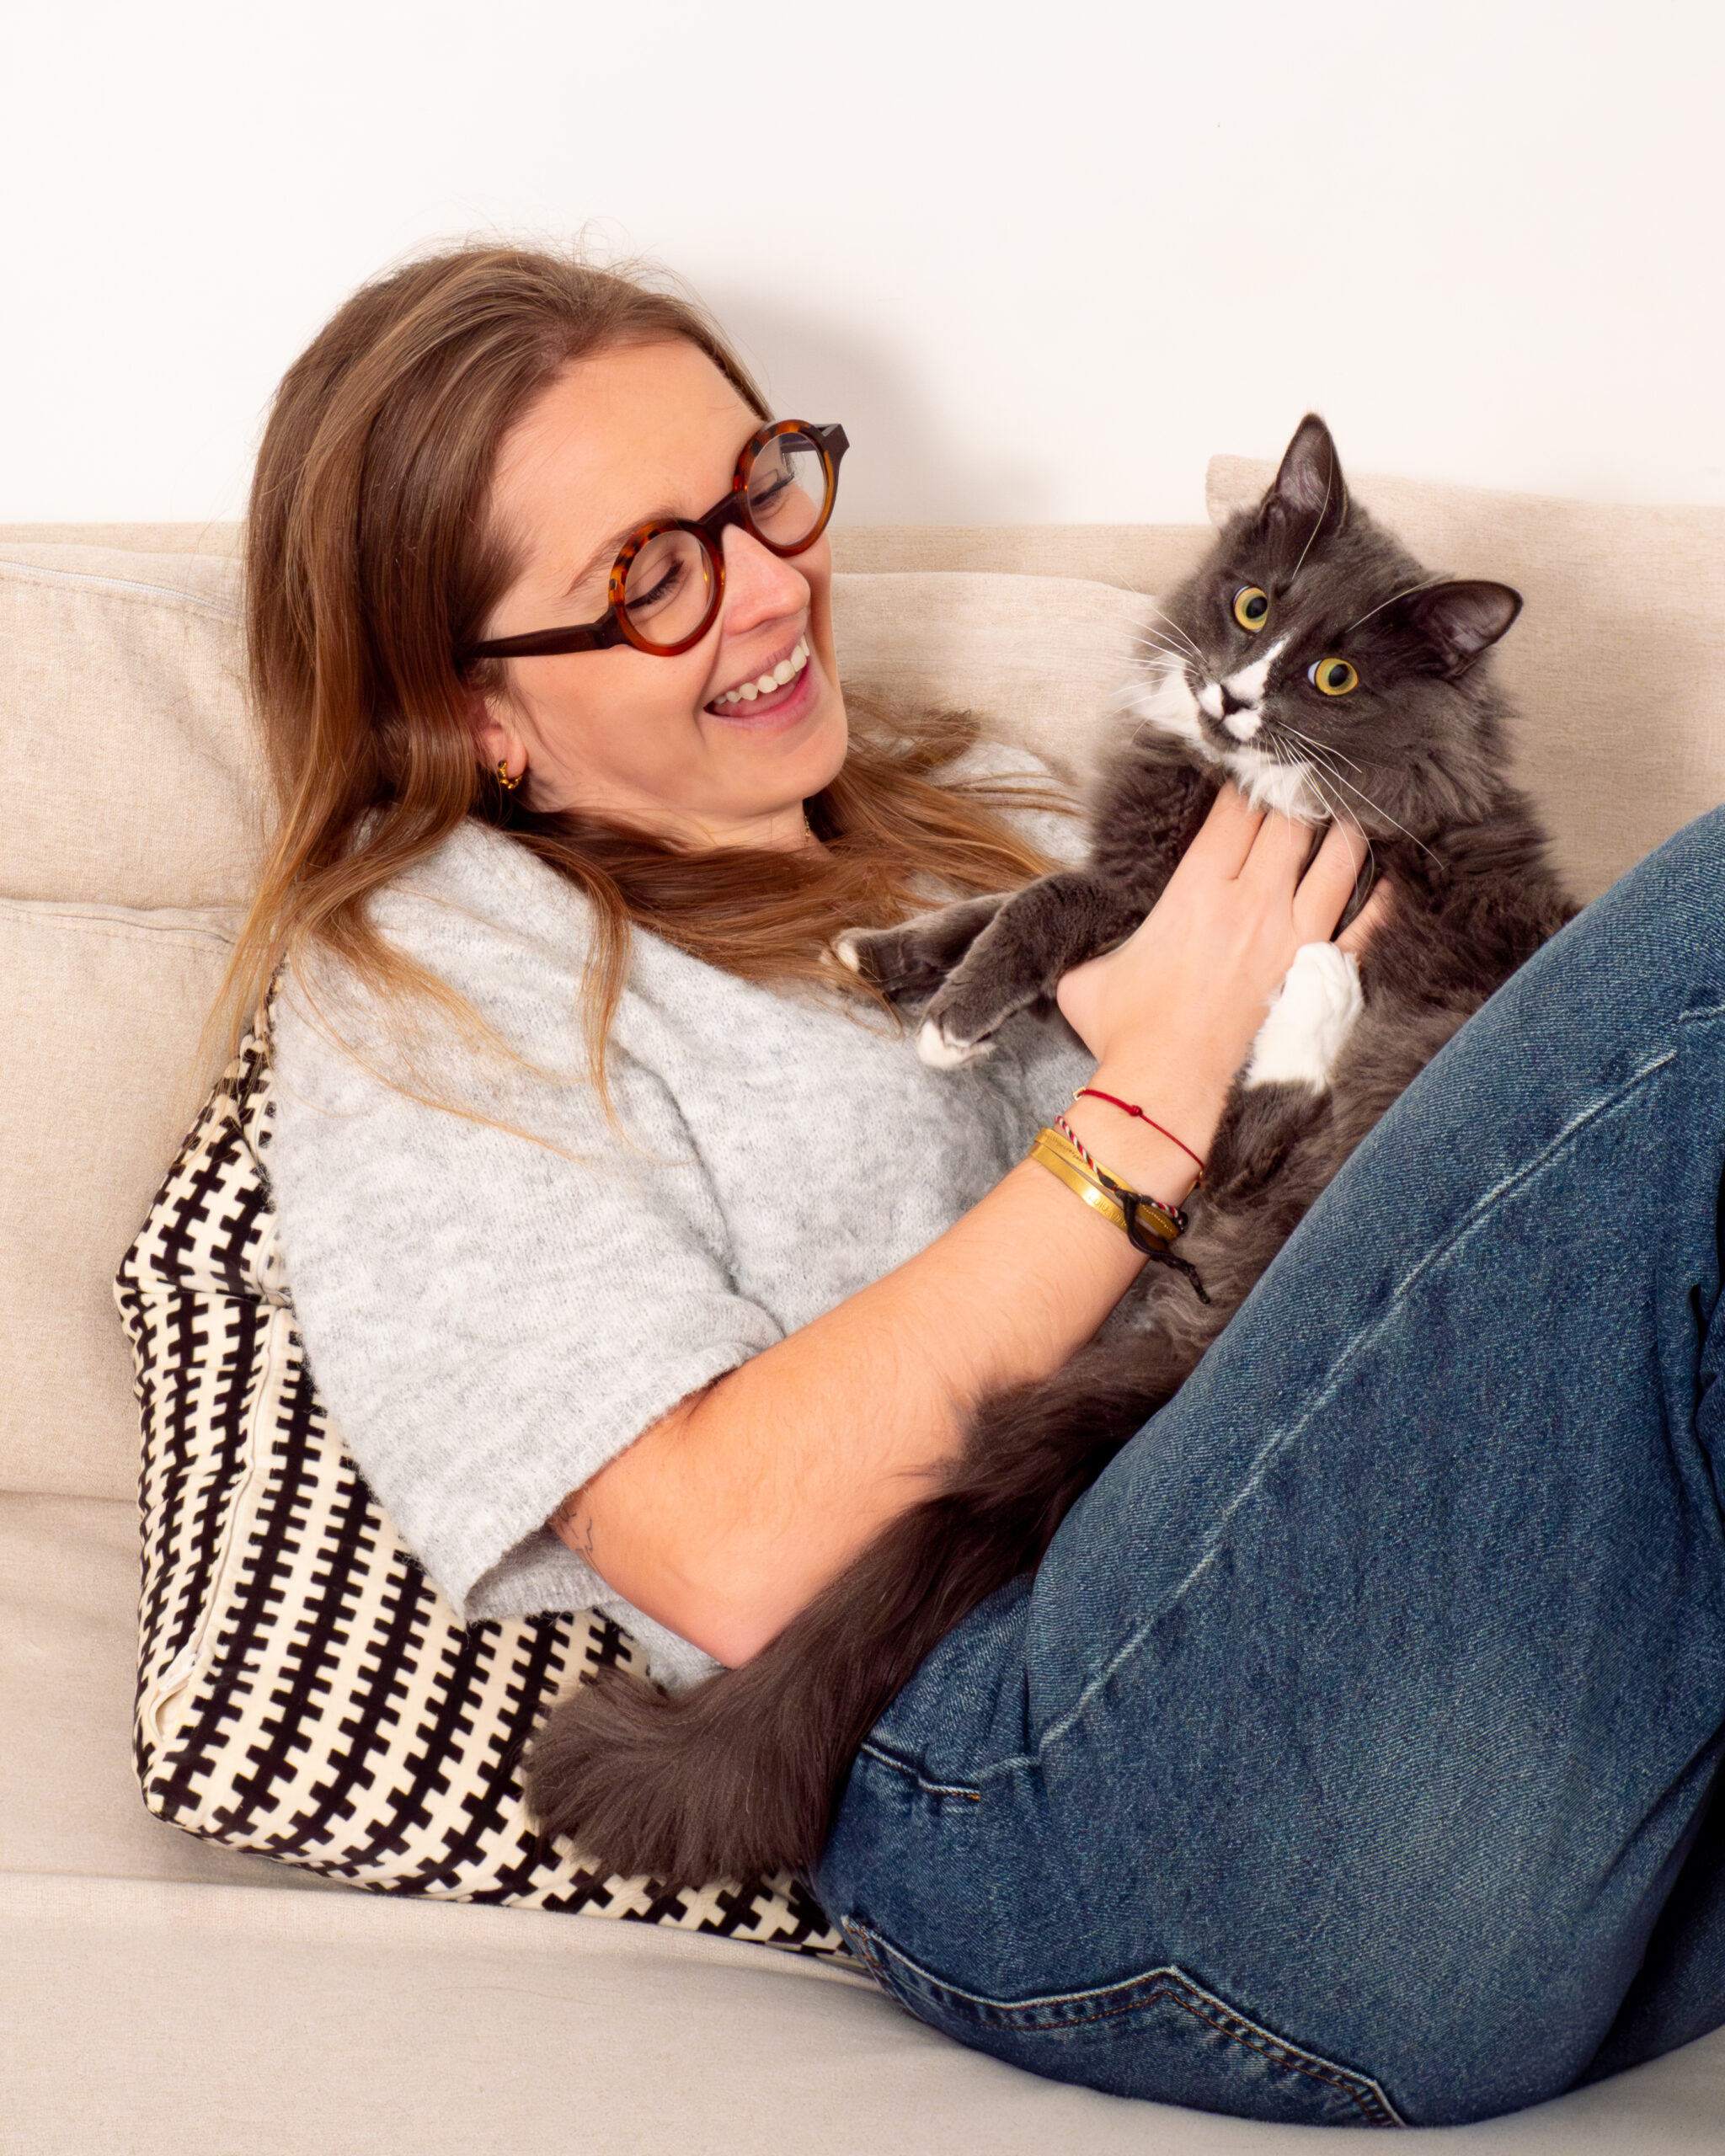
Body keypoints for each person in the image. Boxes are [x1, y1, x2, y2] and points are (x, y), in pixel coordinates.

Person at [232, 243, 1725, 2127]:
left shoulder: (1007, 808)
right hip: (1064, 1787)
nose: (772, 579)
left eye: (760, 484)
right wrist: (1156, 1086)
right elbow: (722, 1546)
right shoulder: (432, 969)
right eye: (648, 572)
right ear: (470, 713)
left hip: (1550, 1787)